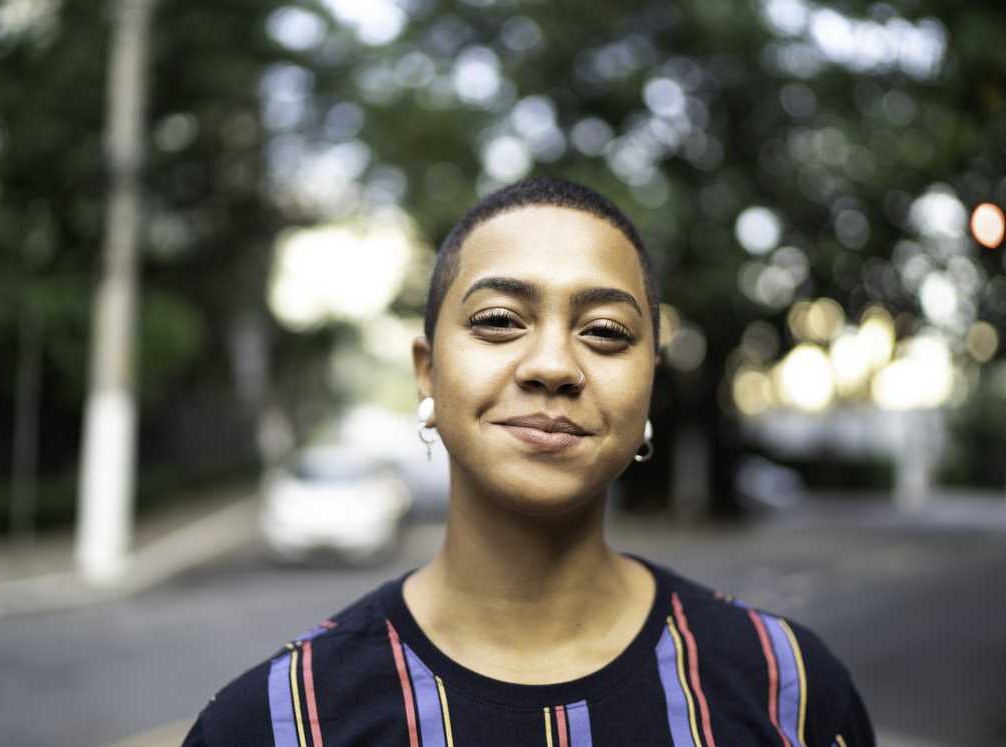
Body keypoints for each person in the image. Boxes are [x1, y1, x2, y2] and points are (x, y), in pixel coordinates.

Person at [182, 177, 874, 746]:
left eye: (605, 332)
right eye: (498, 321)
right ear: (427, 372)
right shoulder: (277, 722)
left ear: (647, 386)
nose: (552, 365)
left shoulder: (790, 691)